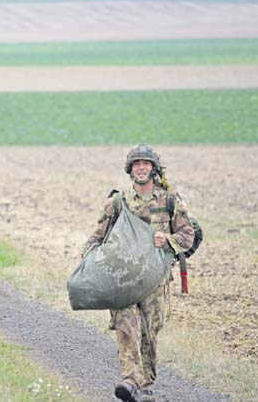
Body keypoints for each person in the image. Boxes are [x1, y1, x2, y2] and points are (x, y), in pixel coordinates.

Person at [79, 144, 194, 402]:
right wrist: (85, 257)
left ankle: (144, 385)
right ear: (130, 170)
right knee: (127, 326)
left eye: (146, 163)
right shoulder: (118, 202)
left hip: (155, 279)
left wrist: (168, 240)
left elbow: (189, 235)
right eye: (136, 164)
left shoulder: (170, 200)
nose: (141, 168)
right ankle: (130, 380)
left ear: (153, 169)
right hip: (124, 278)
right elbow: (97, 237)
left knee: (149, 332)